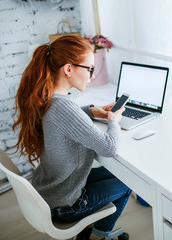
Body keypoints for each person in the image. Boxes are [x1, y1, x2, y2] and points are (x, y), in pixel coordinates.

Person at [12, 35, 131, 240]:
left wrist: (91, 111)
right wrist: (114, 120)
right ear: (68, 69)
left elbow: (62, 119)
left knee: (117, 176)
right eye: (89, 69)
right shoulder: (64, 107)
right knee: (129, 183)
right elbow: (109, 148)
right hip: (66, 205)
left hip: (52, 191)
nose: (91, 76)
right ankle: (99, 237)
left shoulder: (47, 98)